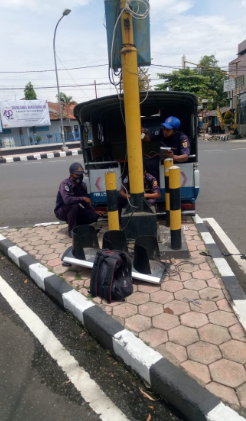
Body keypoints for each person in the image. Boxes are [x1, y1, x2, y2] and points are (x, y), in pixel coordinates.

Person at [54, 162, 104, 237]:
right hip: (61, 211)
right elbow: (67, 200)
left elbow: (85, 202)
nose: (80, 176)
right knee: (74, 206)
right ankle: (72, 231)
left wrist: (93, 210)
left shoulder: (82, 185)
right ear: (71, 174)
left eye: (81, 174)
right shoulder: (65, 184)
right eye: (77, 175)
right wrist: (83, 198)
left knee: (94, 215)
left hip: (75, 210)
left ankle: (80, 227)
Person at [142, 116, 190, 182]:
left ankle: (158, 186)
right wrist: (142, 133)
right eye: (164, 128)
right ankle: (155, 186)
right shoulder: (161, 132)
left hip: (175, 161)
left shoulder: (182, 137)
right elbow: (147, 139)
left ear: (175, 131)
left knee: (150, 165)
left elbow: (185, 157)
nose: (165, 131)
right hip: (163, 159)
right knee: (147, 163)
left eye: (168, 130)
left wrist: (173, 157)